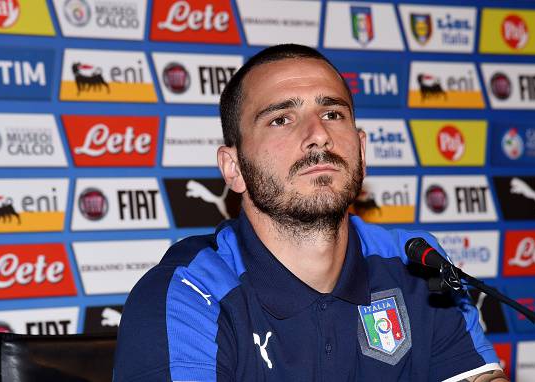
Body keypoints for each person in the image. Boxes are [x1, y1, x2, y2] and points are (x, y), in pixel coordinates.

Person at [113, 44, 508, 382]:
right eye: (281, 119)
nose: (318, 133)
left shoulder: (413, 264)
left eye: (333, 114)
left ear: (362, 150)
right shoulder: (189, 291)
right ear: (234, 169)